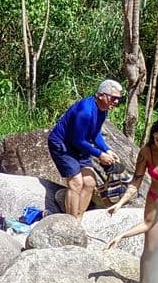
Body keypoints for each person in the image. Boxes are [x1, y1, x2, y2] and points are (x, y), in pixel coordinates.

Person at [106, 118, 158, 283]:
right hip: (156, 197)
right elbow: (135, 183)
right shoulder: (147, 152)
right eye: (157, 139)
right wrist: (120, 203)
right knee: (150, 250)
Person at [48, 80, 123, 220]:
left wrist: (106, 149)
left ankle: (78, 219)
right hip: (63, 145)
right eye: (113, 98)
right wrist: (100, 154)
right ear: (101, 95)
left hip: (79, 145)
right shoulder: (85, 111)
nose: (116, 102)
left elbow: (94, 134)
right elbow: (77, 140)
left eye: (119, 99)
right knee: (76, 182)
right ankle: (71, 223)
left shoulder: (103, 110)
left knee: (90, 182)